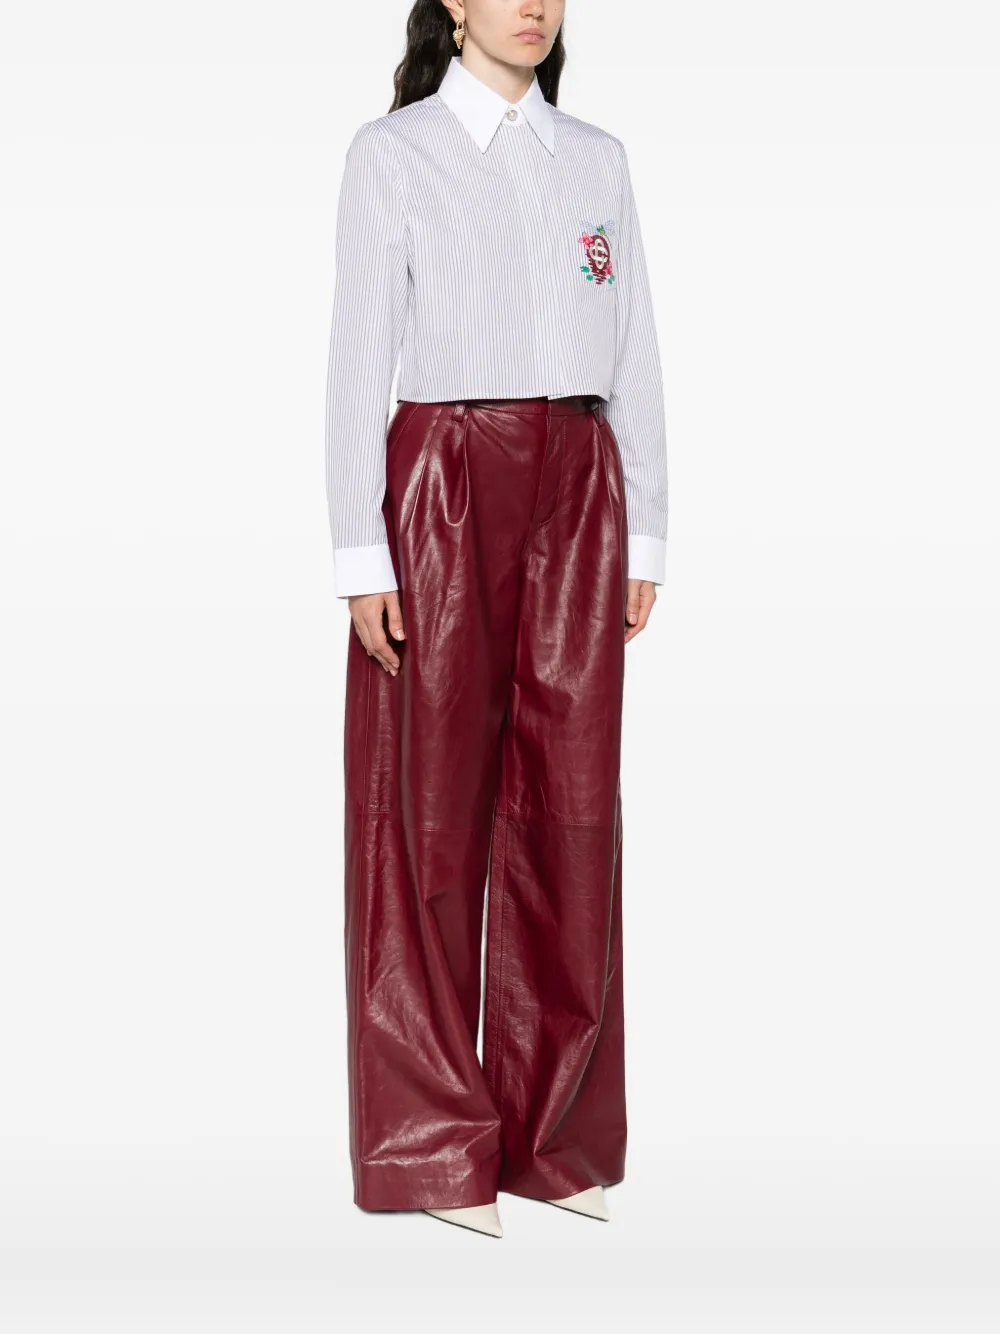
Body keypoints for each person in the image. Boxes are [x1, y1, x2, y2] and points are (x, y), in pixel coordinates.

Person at [324, 0, 668, 1238]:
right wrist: (360, 547)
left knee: (570, 801)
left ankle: (550, 1134)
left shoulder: (596, 160)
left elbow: (634, 351)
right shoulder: (394, 152)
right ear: (453, 4)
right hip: (445, 476)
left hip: (580, 479)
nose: (532, 3)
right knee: (426, 805)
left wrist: (648, 528)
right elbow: (357, 358)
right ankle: (431, 1143)